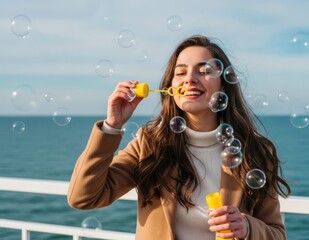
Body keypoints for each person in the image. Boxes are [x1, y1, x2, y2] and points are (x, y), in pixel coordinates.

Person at [67, 35, 291, 240]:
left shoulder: (257, 150)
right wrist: (112, 126)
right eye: (181, 72)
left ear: (223, 84)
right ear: (170, 87)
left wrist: (248, 227)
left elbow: (277, 234)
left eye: (203, 71)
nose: (190, 79)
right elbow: (83, 197)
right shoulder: (150, 144)